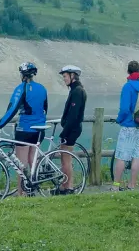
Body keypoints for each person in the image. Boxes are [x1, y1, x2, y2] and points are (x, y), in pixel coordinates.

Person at [0, 62, 48, 196]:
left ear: (22, 75)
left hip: (25, 129)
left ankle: (21, 194)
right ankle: (32, 190)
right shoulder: (42, 88)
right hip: (39, 129)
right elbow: (45, 108)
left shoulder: (21, 88)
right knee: (32, 162)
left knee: (21, 164)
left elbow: (12, 108)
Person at [112, 60, 139, 192]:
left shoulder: (128, 87)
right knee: (136, 155)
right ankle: (132, 185)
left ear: (128, 71)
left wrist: (119, 120)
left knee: (121, 156)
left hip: (128, 126)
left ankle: (115, 186)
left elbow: (124, 109)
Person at [58, 65, 86, 195]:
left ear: (72, 76)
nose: (64, 79)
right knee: (64, 158)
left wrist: (64, 132)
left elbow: (73, 115)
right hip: (71, 128)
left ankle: (69, 187)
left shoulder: (77, 91)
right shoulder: (75, 90)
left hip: (72, 129)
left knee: (66, 158)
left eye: (65, 76)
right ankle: (64, 186)